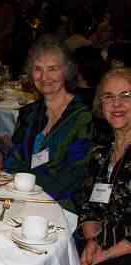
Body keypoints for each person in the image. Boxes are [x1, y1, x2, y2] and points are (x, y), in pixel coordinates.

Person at [3, 39, 93, 212]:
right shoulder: (28, 113)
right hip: (22, 198)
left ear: (66, 71)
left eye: (52, 69)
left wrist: (33, 194)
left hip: (60, 205)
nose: (44, 77)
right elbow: (14, 160)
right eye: (38, 69)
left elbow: (75, 174)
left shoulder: (82, 117)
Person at [77, 68, 131, 265]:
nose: (116, 103)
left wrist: (106, 255)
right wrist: (92, 242)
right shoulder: (101, 153)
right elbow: (89, 204)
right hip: (101, 244)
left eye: (126, 95)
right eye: (108, 96)